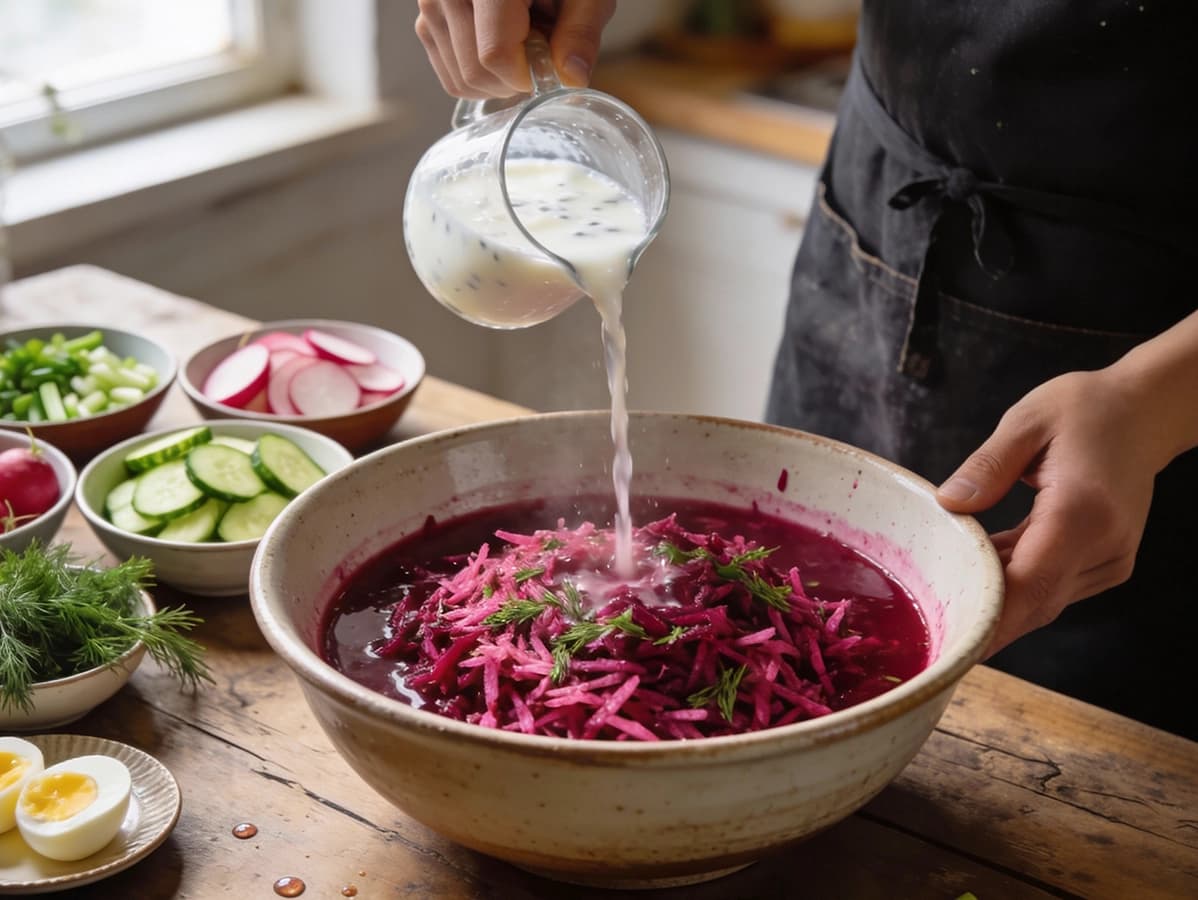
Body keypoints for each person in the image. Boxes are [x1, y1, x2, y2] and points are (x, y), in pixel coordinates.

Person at [411, 0, 1198, 740]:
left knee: (1093, 740)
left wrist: (1153, 401)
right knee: (820, 592)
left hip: (1155, 342)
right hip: (887, 192)